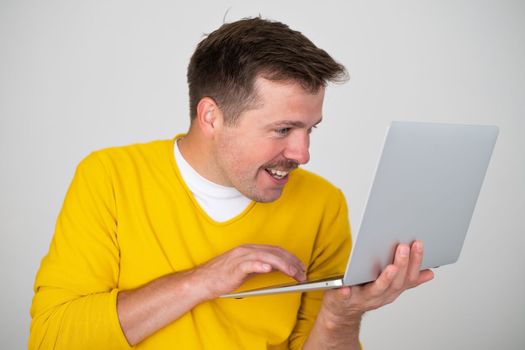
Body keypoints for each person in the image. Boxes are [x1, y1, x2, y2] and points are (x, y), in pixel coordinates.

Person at [29, 17, 434, 349]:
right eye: (283, 129)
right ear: (211, 118)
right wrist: (202, 281)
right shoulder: (110, 177)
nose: (303, 153)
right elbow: (51, 339)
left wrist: (340, 315)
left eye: (311, 129)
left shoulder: (323, 203)